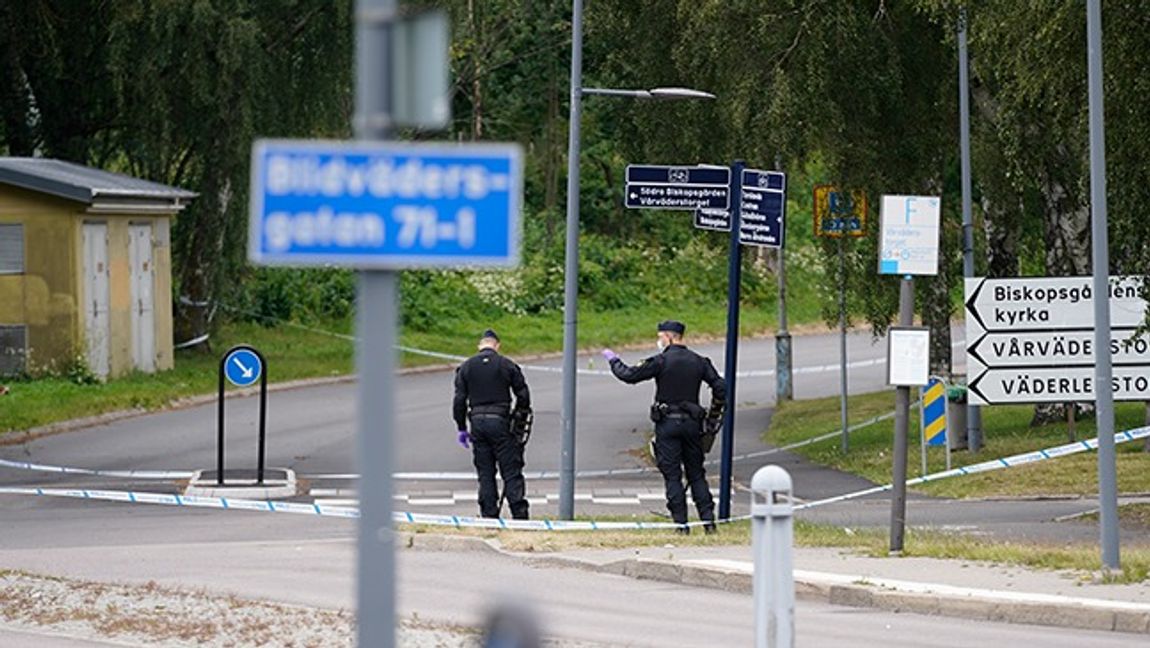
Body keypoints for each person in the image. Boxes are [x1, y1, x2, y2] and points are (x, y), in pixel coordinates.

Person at [602, 320, 725, 534]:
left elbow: (629, 375)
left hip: (668, 424)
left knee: (673, 476)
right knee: (696, 474)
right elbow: (721, 387)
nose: (659, 341)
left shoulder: (661, 361)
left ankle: (681, 525)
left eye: (660, 337)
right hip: (692, 425)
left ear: (669, 337)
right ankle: (709, 523)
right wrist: (712, 416)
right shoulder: (699, 361)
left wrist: (614, 360)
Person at [453, 329, 533, 519]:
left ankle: (489, 515)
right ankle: (519, 514)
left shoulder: (466, 367)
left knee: (485, 472)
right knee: (511, 470)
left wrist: (462, 428)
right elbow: (523, 394)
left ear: (480, 345)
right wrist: (518, 418)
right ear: (497, 345)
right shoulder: (507, 365)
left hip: (478, 424)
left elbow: (459, 401)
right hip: (501, 421)